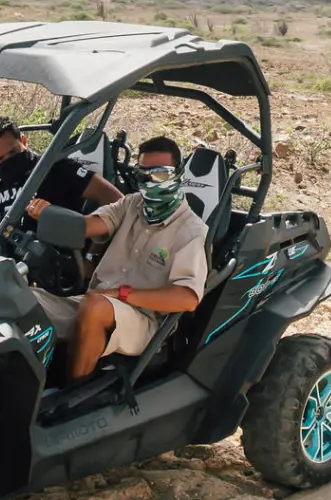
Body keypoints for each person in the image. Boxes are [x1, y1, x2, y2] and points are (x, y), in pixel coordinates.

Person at [28, 136, 209, 383]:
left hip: (144, 320)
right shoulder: (133, 204)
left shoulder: (190, 230)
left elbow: (187, 299)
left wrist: (123, 294)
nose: (151, 184)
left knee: (94, 306)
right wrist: (50, 214)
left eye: (160, 176)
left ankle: (71, 394)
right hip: (96, 300)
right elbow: (90, 225)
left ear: (177, 175)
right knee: (24, 299)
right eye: (144, 176)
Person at [0, 117, 121, 244]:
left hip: (48, 265)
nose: (8, 160)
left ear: (24, 141)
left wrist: (92, 249)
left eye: (13, 152)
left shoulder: (57, 168)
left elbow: (118, 202)